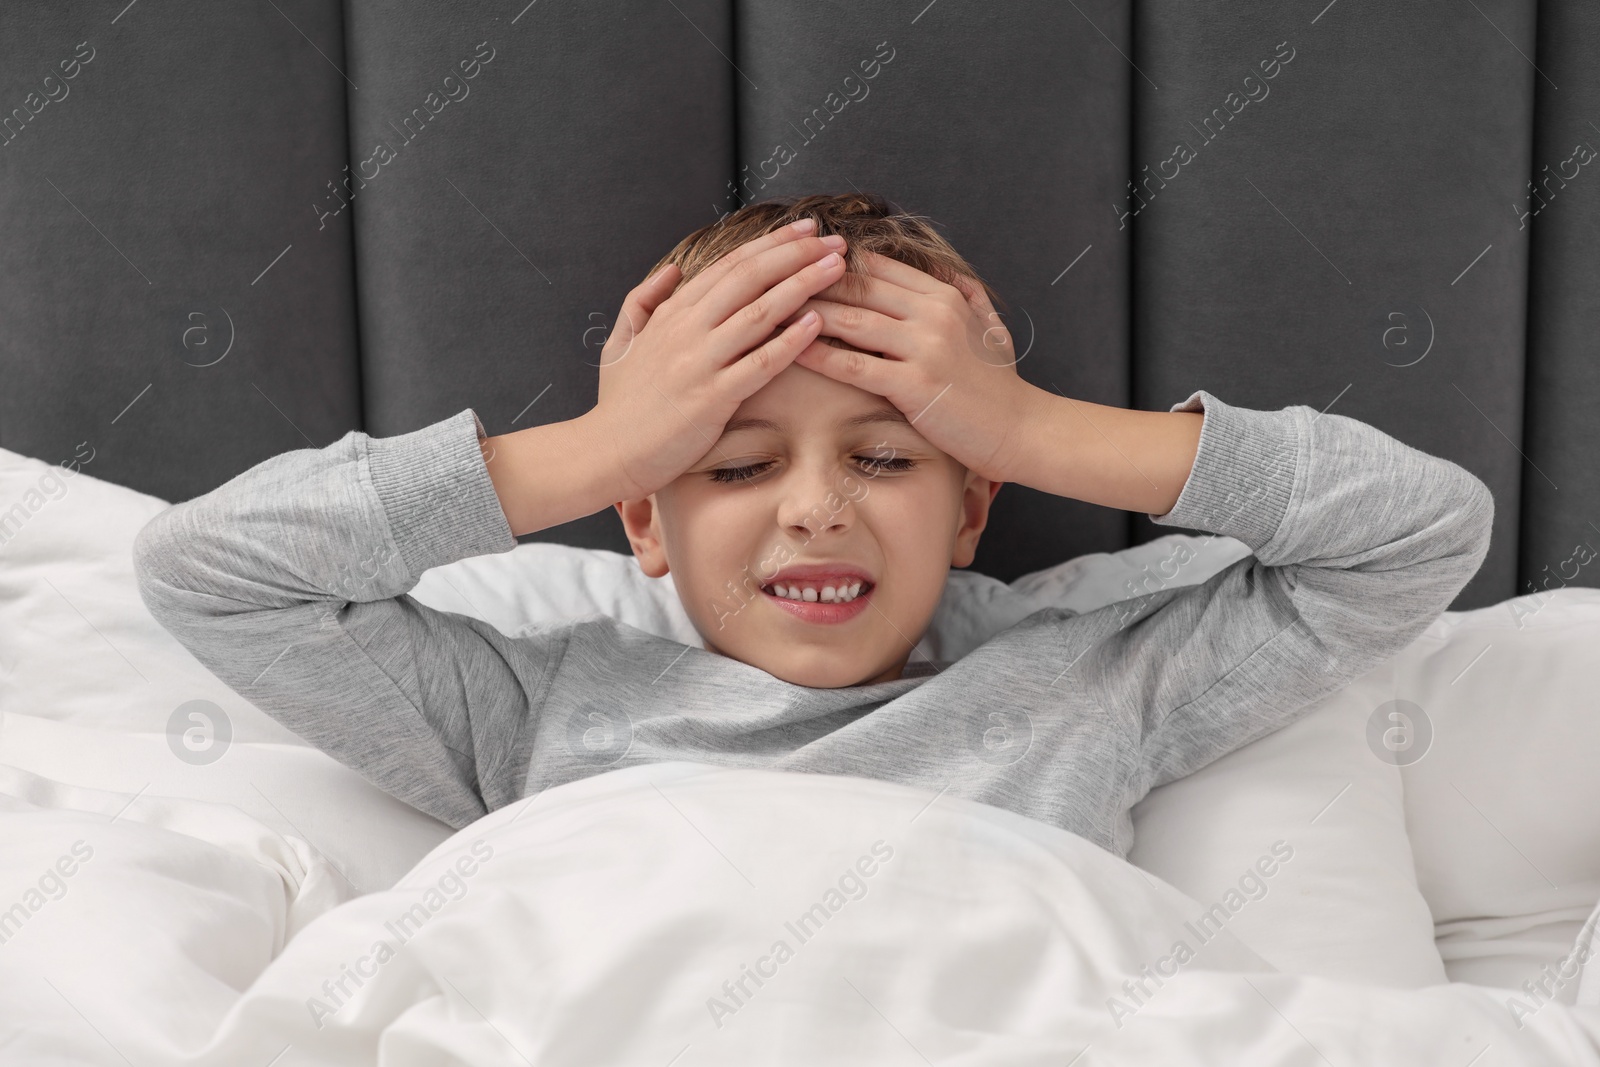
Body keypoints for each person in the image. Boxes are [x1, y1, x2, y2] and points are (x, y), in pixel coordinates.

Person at [133, 192, 1494, 858]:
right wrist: (605, 445)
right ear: (644, 524)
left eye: (889, 455)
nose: (813, 510)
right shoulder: (531, 710)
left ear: (968, 504)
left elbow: (1419, 533)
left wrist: (1024, 425)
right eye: (729, 469)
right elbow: (213, 572)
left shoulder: (1090, 680)